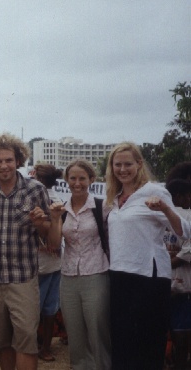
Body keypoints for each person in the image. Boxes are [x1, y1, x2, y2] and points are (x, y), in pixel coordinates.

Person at [0, 132, 54, 370]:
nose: (3, 165)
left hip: (23, 278)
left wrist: (41, 223)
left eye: (8, 160)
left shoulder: (36, 190)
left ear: (18, 160)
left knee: (27, 340)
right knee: (1, 340)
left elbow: (47, 233)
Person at [105, 142, 191, 370]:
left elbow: (183, 232)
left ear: (139, 164)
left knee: (148, 342)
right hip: (119, 275)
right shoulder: (115, 196)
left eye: (128, 164)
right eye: (117, 164)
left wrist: (165, 208)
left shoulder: (155, 192)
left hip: (148, 277)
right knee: (122, 341)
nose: (123, 169)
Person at [47, 160, 111, 369]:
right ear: (66, 181)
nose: (77, 183)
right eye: (72, 178)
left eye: (82, 178)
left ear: (91, 180)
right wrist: (55, 219)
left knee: (97, 328)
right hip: (68, 275)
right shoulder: (61, 209)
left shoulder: (102, 207)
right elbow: (55, 245)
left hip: (96, 273)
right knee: (74, 332)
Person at [32, 164, 63, 362]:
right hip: (56, 261)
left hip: (39, 262)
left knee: (32, 310)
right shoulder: (59, 199)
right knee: (50, 309)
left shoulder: (38, 198)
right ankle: (45, 347)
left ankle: (31, 347)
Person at [163, 178, 191, 370]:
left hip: (184, 290)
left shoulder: (188, 217)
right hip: (163, 288)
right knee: (163, 336)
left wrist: (162, 263)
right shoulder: (161, 216)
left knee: (182, 338)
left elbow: (187, 253)